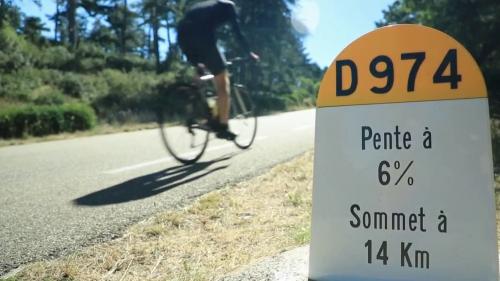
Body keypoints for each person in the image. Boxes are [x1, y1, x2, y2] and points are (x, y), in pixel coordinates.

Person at [177, 0, 259, 140]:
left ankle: (194, 105)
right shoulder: (229, 6)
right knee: (222, 82)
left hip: (183, 35)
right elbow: (237, 32)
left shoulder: (208, 5)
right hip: (202, 36)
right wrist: (249, 53)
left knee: (200, 70)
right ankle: (222, 127)